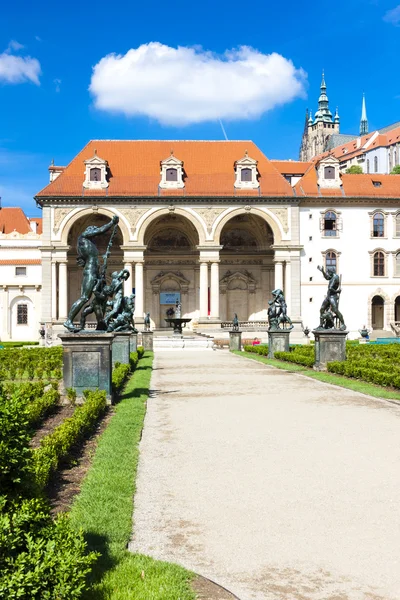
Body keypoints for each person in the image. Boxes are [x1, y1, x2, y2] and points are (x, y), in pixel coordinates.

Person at [64, 215, 119, 332]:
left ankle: (101, 323)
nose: (95, 232)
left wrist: (102, 269)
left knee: (98, 299)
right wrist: (112, 223)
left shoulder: (90, 244)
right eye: (93, 229)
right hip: (90, 272)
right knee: (84, 297)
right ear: (88, 231)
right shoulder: (83, 237)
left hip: (94, 272)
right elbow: (100, 230)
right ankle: (68, 320)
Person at [317, 265, 346, 330]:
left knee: (335, 310)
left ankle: (343, 324)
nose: (328, 273)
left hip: (333, 296)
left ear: (331, 271)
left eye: (328, 272)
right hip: (329, 296)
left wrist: (336, 291)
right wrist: (322, 271)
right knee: (322, 309)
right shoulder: (332, 276)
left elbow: (330, 288)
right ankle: (321, 325)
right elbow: (327, 277)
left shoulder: (335, 277)